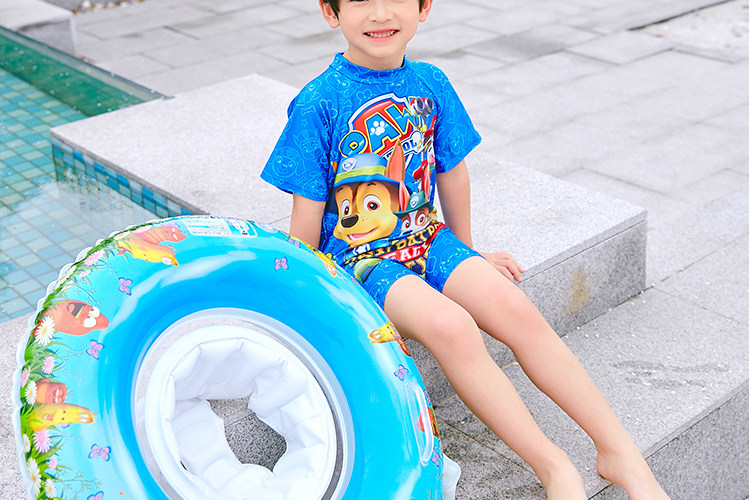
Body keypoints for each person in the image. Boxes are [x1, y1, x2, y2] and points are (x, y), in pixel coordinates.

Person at [261, 0, 670, 498]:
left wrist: (470, 255)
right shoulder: (317, 102)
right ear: (331, 12)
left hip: (429, 238)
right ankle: (552, 465)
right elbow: (306, 215)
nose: (380, 14)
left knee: (513, 307)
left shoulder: (431, 83)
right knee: (452, 326)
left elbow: (451, 172)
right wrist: (302, 297)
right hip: (361, 260)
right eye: (361, 0)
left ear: (424, 6)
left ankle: (619, 451)